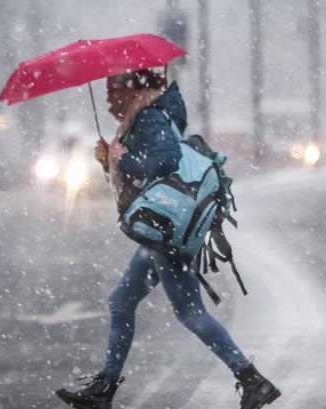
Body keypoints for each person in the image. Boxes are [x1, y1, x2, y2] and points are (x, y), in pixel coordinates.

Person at [55, 69, 281, 409]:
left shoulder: (148, 117)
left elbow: (166, 161)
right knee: (121, 303)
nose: (107, 98)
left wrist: (121, 158)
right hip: (164, 230)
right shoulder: (144, 117)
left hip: (167, 231)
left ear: (131, 90)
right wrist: (110, 162)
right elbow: (145, 177)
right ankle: (104, 390)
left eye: (111, 90)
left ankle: (252, 379)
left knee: (190, 313)